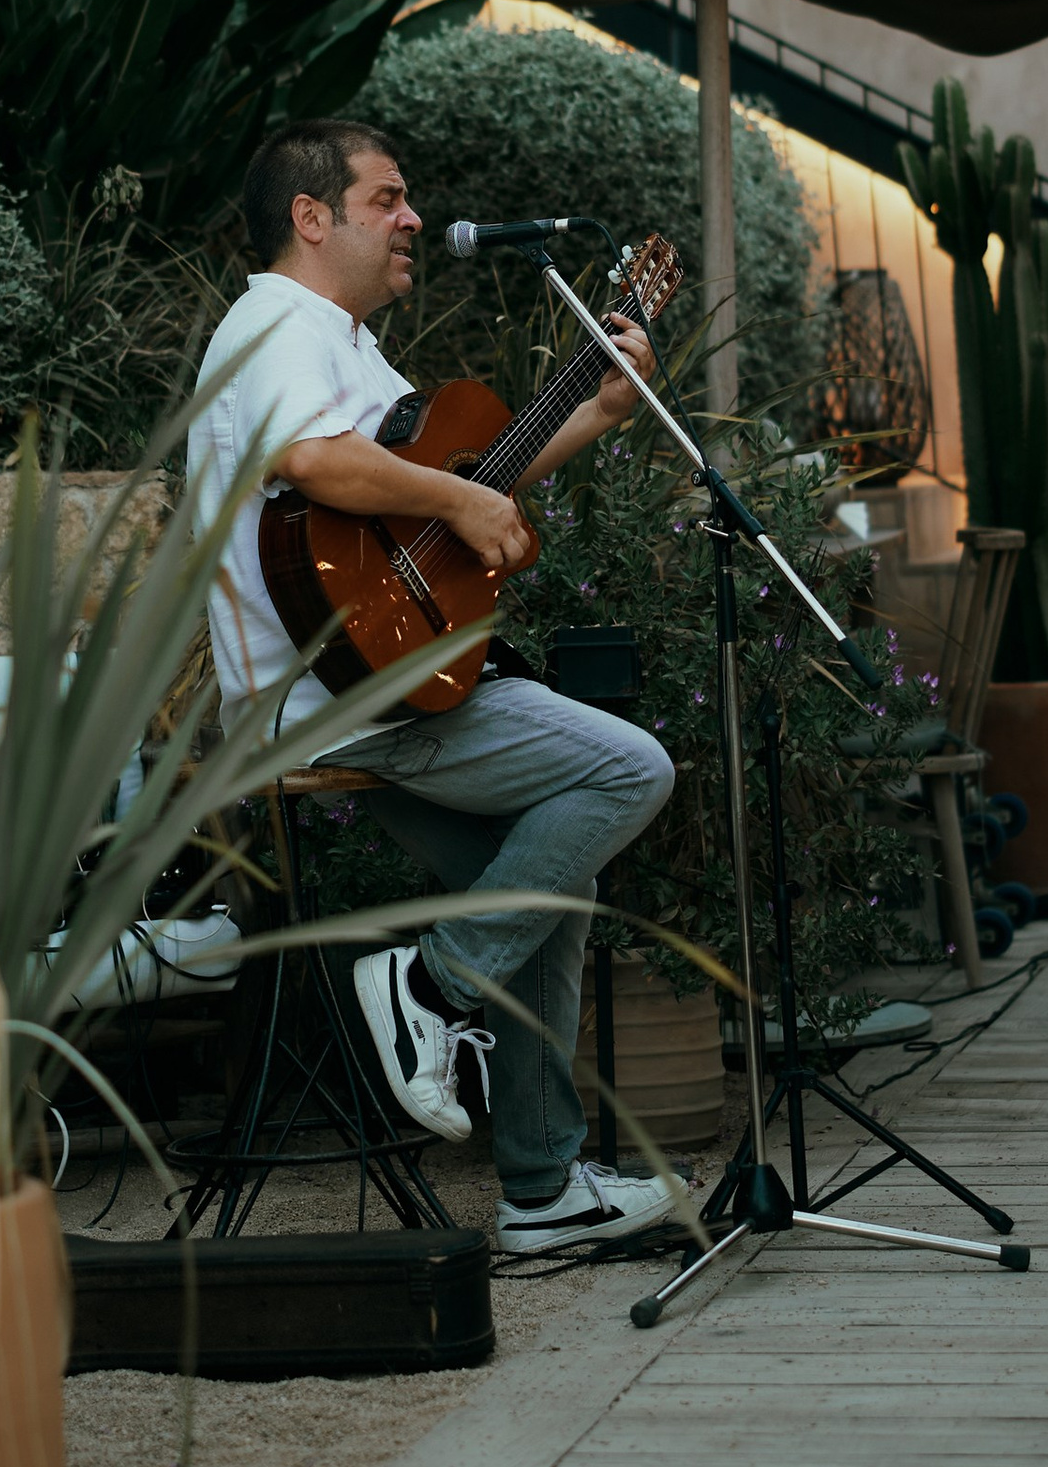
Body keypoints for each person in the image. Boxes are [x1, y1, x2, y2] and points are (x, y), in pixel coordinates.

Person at [186, 116, 684, 1258]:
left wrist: (600, 408)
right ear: (311, 218)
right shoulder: (276, 319)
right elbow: (313, 464)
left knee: (548, 891)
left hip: (378, 680)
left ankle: (542, 1191)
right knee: (628, 768)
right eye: (387, 199)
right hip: (337, 693)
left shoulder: (345, 344)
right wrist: (460, 505)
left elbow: (458, 479)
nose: (413, 219)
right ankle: (432, 989)